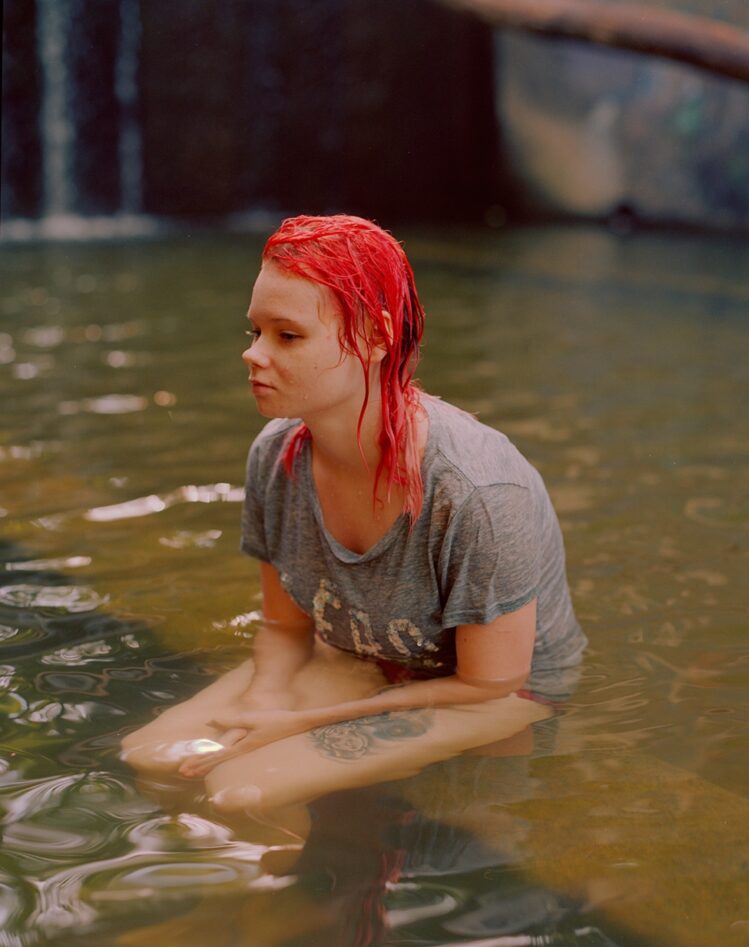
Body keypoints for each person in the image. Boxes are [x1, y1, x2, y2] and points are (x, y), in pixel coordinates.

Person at [121, 214, 586, 821]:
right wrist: (264, 701)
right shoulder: (276, 456)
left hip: (495, 693)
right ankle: (278, 887)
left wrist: (297, 722)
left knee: (242, 789)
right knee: (151, 756)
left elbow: (488, 684)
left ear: (375, 336)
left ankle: (305, 890)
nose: (252, 354)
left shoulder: (476, 490)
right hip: (358, 655)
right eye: (255, 330)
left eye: (287, 336)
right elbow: (286, 629)